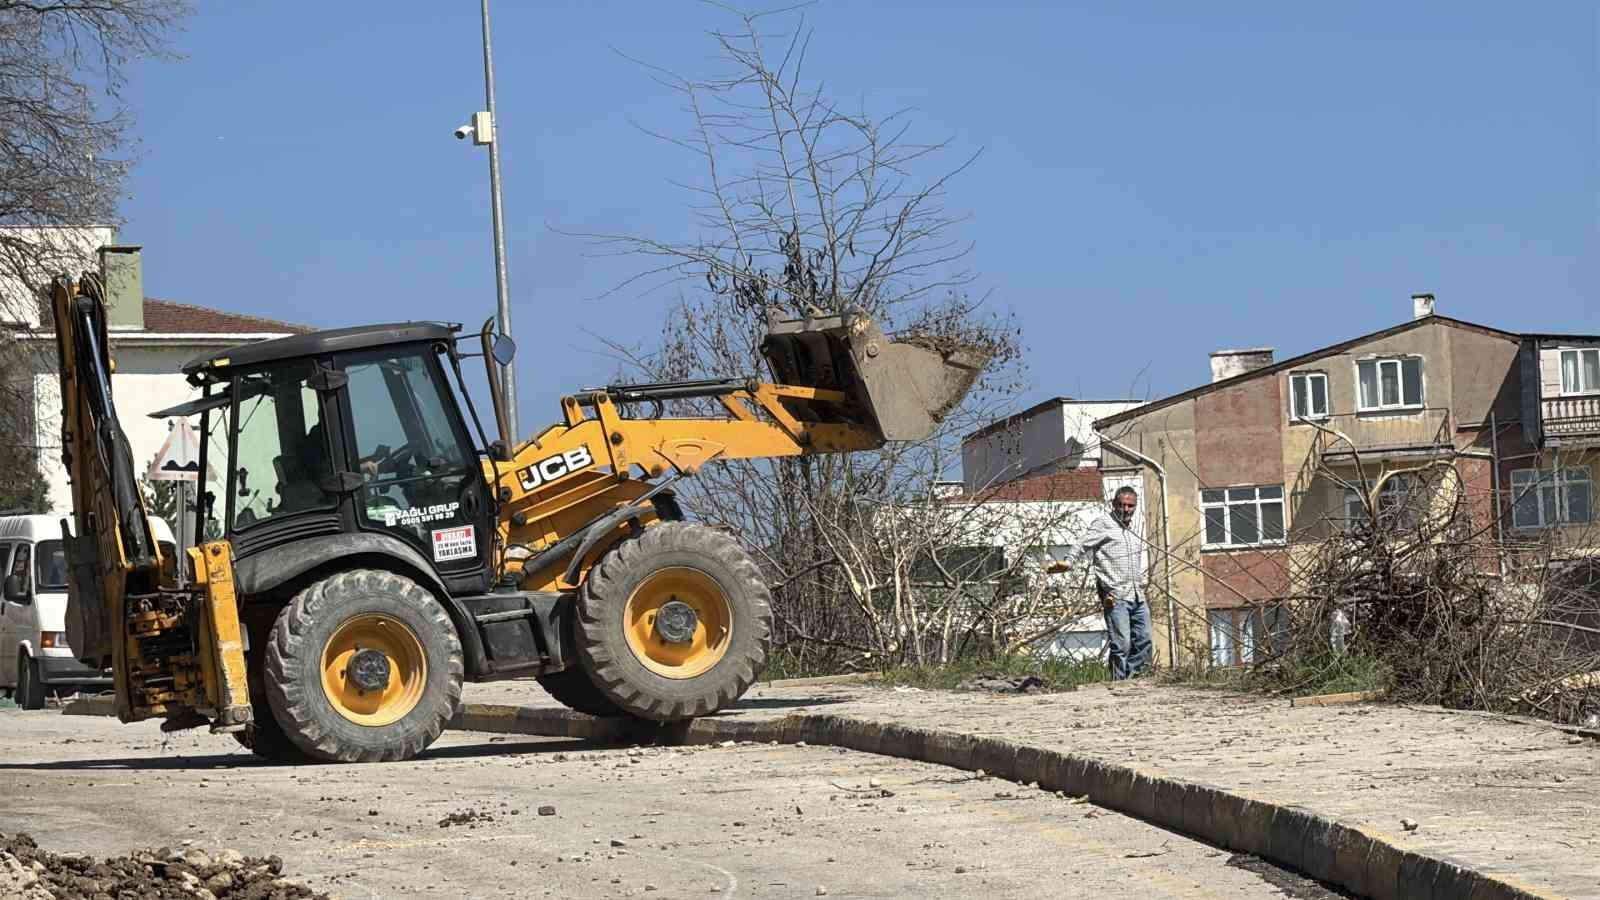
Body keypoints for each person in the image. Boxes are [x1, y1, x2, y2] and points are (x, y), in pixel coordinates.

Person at [1058, 486, 1153, 680]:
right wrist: (1068, 562)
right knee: (1122, 643)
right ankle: (1118, 682)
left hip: (1137, 594)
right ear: (1113, 504)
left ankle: (1136, 679)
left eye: (1130, 506)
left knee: (1144, 639)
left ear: (1135, 507)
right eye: (1121, 505)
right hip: (1115, 595)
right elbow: (1082, 544)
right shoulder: (1103, 524)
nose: (1125, 509)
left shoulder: (1133, 530)